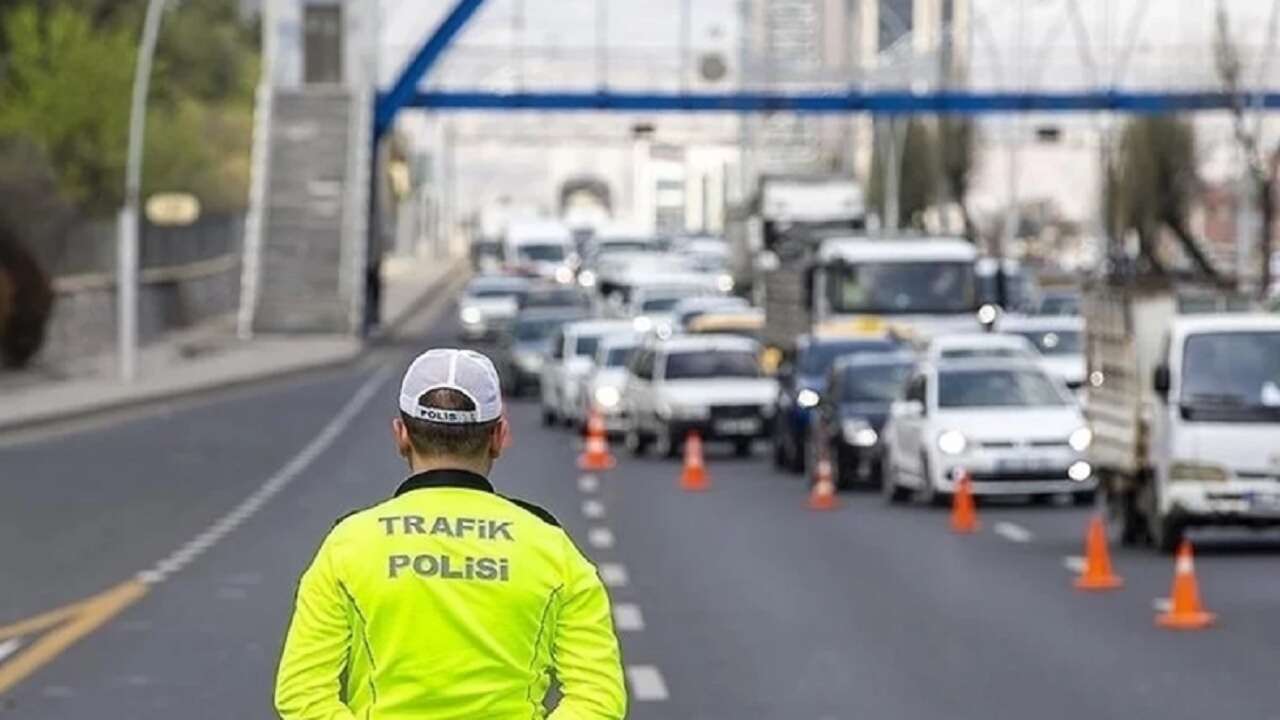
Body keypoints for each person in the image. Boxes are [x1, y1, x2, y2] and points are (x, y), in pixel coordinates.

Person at [275, 348, 627, 719]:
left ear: (401, 435)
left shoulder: (348, 545)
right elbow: (598, 698)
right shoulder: (552, 548)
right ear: (499, 437)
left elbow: (302, 694)